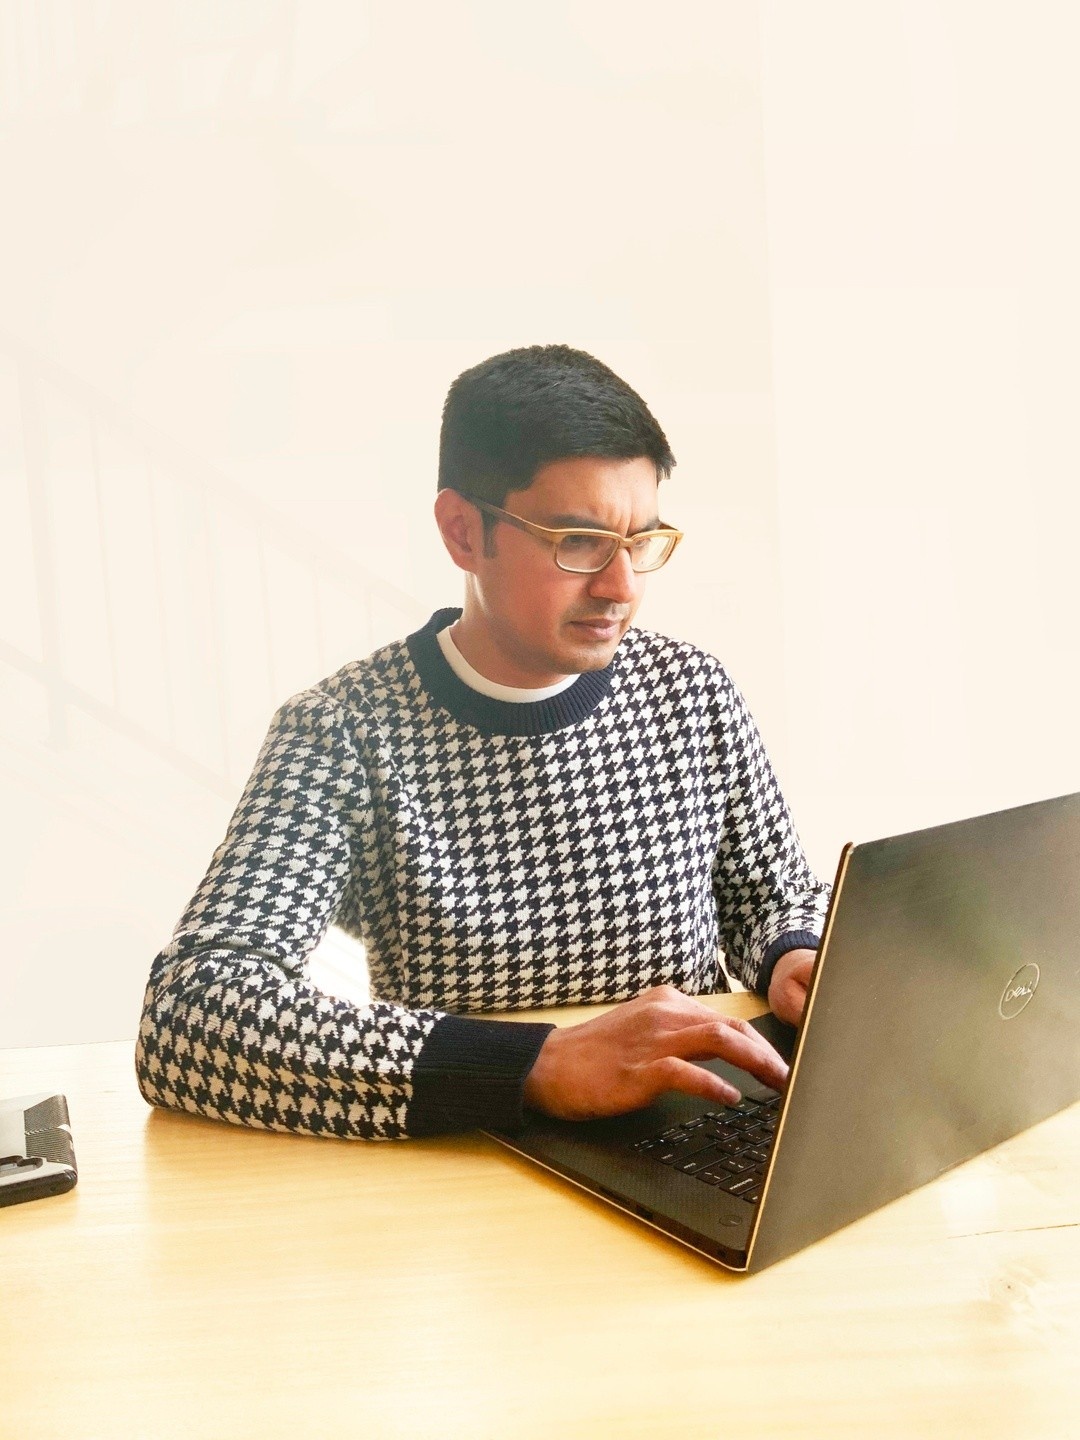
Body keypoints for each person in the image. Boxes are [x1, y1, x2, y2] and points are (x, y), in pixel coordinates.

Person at [135, 344, 830, 1141]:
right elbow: (189, 1014)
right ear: (463, 533)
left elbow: (770, 894)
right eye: (578, 541)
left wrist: (794, 954)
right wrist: (534, 1065)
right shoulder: (345, 733)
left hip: (701, 1132)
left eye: (640, 542)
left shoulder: (691, 691)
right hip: (482, 1159)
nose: (621, 587)